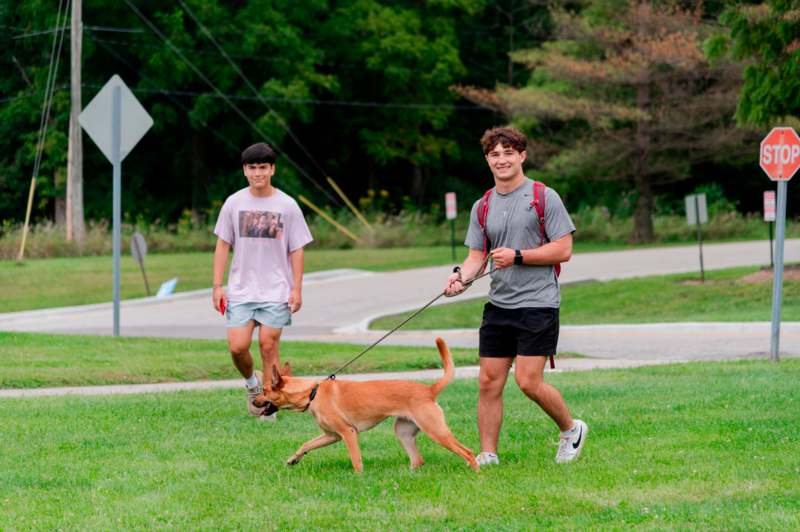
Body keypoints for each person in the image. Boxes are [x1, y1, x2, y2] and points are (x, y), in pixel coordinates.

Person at [443, 127, 588, 465]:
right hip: (499, 306)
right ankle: (488, 453)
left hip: (538, 303)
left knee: (527, 381)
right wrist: (459, 279)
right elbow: (476, 257)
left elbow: (563, 249)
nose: (502, 159)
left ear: (522, 155)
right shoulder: (483, 205)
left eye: (509, 152)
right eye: (495, 154)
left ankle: (571, 429)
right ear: (488, 160)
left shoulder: (543, 196)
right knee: (488, 381)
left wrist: (518, 256)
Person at [212, 142, 313, 421]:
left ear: (272, 170)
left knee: (269, 345)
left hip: (276, 289)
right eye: (252, 168)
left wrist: (296, 288)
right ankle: (252, 385)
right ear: (245, 171)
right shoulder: (234, 203)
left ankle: (269, 404)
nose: (258, 173)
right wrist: (217, 285)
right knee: (237, 347)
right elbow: (222, 245)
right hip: (241, 289)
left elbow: (297, 248)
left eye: (263, 167)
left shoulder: (287, 205)